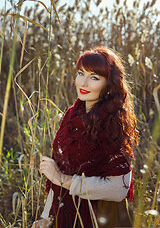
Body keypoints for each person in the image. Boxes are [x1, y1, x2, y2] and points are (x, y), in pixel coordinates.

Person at [32, 46, 138, 228]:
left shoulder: (113, 124)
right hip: (66, 213)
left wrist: (60, 179)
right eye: (81, 73)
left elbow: (118, 189)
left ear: (108, 84)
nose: (83, 83)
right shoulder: (72, 115)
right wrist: (47, 216)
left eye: (94, 78)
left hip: (100, 218)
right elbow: (58, 171)